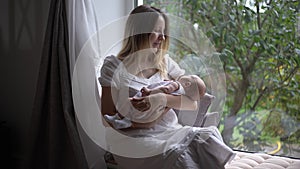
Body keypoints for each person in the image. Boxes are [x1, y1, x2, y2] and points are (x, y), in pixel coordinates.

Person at [99, 5, 235, 169]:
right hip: (133, 139)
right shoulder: (114, 66)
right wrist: (145, 122)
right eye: (157, 31)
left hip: (169, 132)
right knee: (175, 153)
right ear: (139, 32)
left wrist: (161, 99)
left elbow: (193, 102)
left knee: (207, 136)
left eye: (164, 32)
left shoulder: (165, 63)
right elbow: (107, 116)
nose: (162, 37)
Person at [104, 74, 206, 129]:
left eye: (191, 76)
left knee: (129, 104)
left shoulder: (176, 84)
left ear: (187, 84)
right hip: (157, 113)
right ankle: (126, 122)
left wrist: (152, 94)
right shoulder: (180, 91)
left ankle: (118, 118)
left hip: (147, 102)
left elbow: (165, 90)